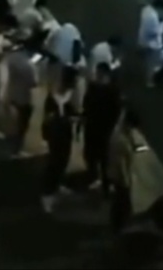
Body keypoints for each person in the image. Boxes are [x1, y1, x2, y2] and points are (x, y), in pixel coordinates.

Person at [40, 67, 79, 213]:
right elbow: (49, 120)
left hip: (65, 134)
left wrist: (73, 117)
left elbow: (70, 113)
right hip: (55, 135)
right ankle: (47, 194)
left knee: (64, 159)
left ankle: (57, 185)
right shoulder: (53, 98)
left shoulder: (68, 96)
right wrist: (65, 119)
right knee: (54, 162)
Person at [82, 62, 123, 194]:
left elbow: (87, 105)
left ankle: (102, 181)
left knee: (100, 156)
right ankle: (100, 180)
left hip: (100, 128)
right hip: (100, 127)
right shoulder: (110, 89)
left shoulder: (100, 89)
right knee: (97, 155)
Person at [108, 109, 149, 232]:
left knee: (119, 202)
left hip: (118, 174)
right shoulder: (120, 140)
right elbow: (120, 164)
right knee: (123, 202)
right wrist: (126, 182)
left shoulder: (121, 132)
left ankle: (118, 224)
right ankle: (120, 226)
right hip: (120, 177)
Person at [0, 41, 38, 157]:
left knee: (10, 124)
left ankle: (7, 148)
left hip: (10, 95)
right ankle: (16, 150)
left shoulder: (10, 58)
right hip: (23, 98)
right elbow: (33, 83)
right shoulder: (28, 64)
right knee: (21, 127)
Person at [138, 0, 163, 89]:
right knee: (152, 64)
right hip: (152, 45)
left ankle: (150, 77)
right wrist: (162, 24)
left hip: (143, 40)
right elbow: (154, 32)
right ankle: (149, 81)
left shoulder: (146, 9)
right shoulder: (153, 17)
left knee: (149, 62)